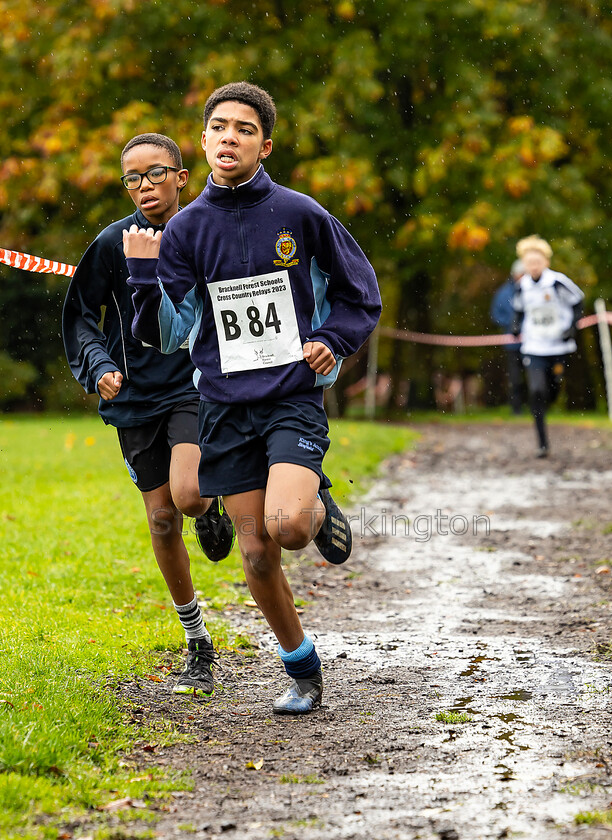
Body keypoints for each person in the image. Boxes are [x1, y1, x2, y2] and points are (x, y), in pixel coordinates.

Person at [123, 82, 382, 715]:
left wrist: (331, 338)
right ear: (204, 140)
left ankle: (314, 503)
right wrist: (141, 275)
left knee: (287, 527)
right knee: (258, 553)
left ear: (265, 144)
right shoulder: (183, 231)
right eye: (218, 127)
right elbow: (170, 333)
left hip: (291, 398)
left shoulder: (301, 214)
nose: (229, 137)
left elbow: (360, 293)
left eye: (244, 128)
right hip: (224, 408)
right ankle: (301, 666)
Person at [62, 133, 235, 698]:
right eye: (131, 178)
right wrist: (98, 365)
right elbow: (83, 316)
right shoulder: (113, 243)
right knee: (162, 519)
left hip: (193, 384)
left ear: (182, 177)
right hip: (135, 397)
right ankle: (197, 639)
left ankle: (209, 508)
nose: (143, 187)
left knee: (187, 496)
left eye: (154, 173)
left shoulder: (208, 232)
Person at [511, 235, 584, 458]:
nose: (533, 267)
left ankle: (551, 396)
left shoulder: (557, 281)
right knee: (536, 391)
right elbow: (519, 309)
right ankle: (542, 442)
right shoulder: (521, 285)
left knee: (552, 390)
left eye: (537, 262)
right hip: (534, 346)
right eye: (529, 263)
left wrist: (571, 327)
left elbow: (578, 301)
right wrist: (515, 325)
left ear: (546, 262)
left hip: (558, 346)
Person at [490, 259, 527, 414]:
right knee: (515, 377)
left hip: (533, 342)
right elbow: (495, 315)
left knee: (535, 376)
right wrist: (512, 325)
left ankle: (537, 407)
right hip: (512, 343)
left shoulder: (533, 291)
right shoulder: (503, 293)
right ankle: (516, 408)